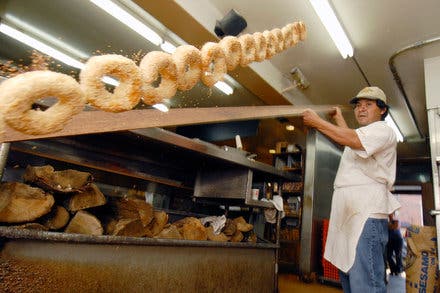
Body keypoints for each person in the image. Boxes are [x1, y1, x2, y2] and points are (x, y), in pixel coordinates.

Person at [302, 86, 401, 292]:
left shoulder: (383, 130)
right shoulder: (364, 136)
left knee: (366, 284)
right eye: (358, 105)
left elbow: (352, 140)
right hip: (350, 218)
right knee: (350, 280)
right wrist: (338, 118)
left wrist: (317, 122)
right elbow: (352, 142)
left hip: (366, 217)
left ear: (382, 110)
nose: (361, 109)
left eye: (368, 105)